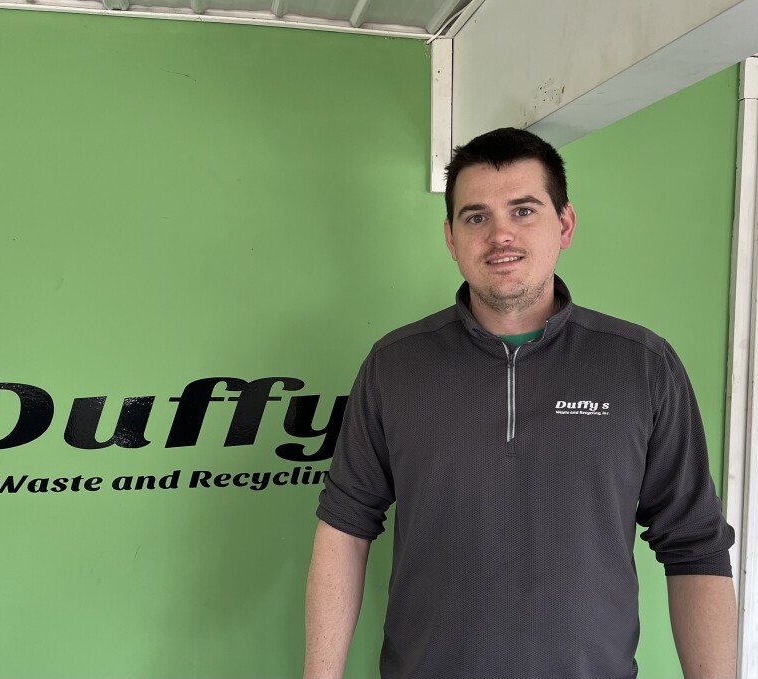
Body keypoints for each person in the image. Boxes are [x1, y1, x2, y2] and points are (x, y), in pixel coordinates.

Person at [303, 127, 737, 679]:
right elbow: (345, 525)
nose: (499, 235)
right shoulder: (394, 366)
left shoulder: (642, 366)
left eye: (524, 210)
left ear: (565, 224)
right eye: (476, 217)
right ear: (451, 237)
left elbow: (695, 546)